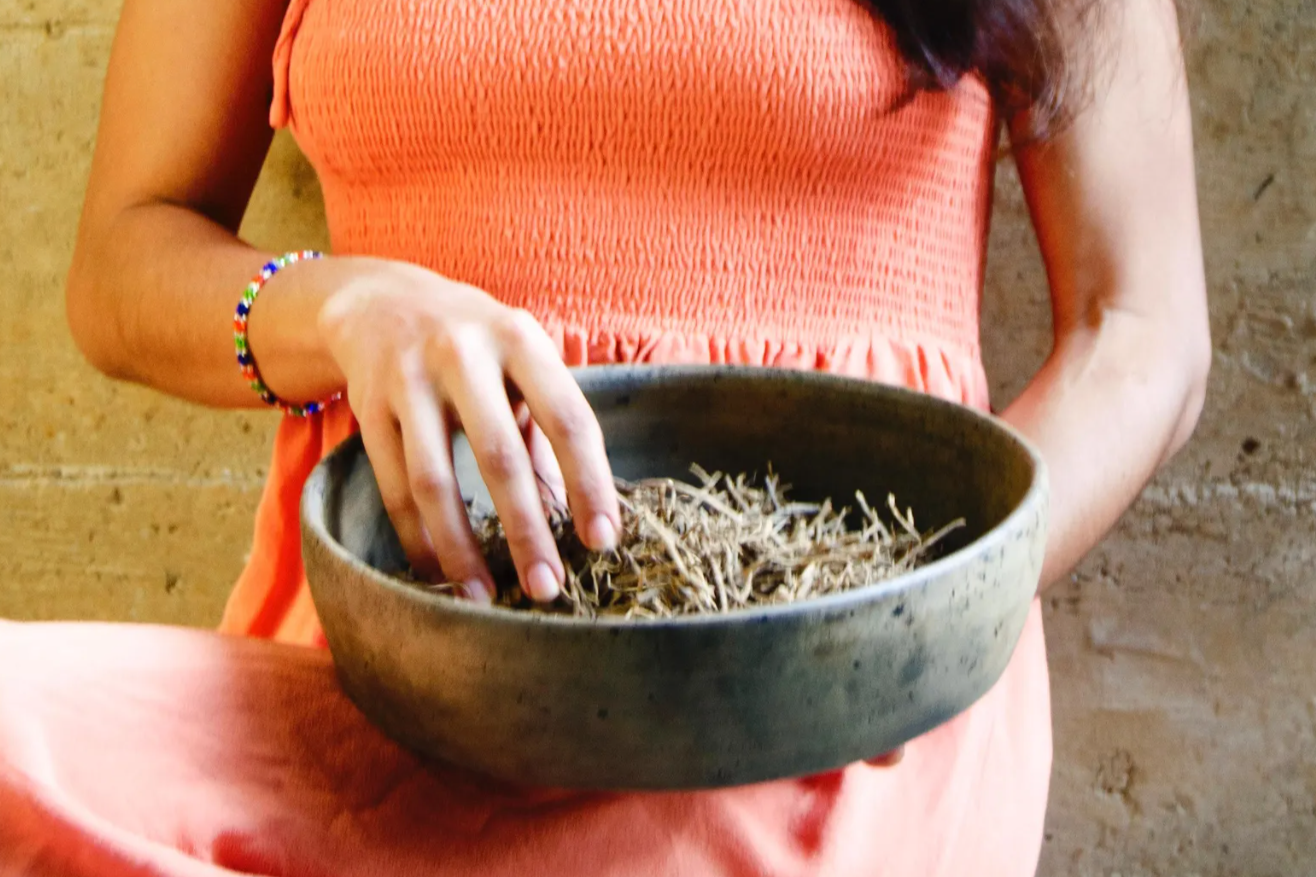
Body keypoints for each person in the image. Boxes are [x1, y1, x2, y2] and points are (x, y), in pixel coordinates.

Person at [3, 0, 1207, 873]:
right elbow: (125, 256)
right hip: (396, 665)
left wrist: (908, 616)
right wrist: (341, 305)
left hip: (826, 706)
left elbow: (1139, 330)